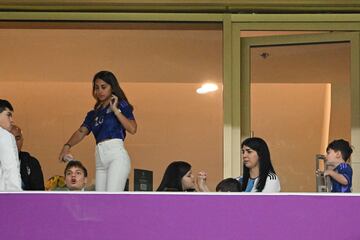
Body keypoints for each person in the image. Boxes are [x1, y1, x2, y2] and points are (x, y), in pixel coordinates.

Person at [58, 71, 137, 192]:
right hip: (100, 158)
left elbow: (132, 128)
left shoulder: (121, 104)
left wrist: (115, 110)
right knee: (99, 199)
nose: (100, 91)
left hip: (116, 155)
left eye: (104, 87)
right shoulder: (93, 113)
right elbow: (81, 132)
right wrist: (67, 146)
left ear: (112, 87)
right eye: (96, 87)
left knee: (112, 197)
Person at [10, 125, 45, 190]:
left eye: (17, 139)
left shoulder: (31, 162)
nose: (14, 143)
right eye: (10, 139)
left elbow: (39, 193)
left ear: (22, 140)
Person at [0, 99, 22, 191]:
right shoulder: (4, 136)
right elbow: (11, 169)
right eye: (8, 115)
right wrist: (16, 195)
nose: (11, 120)